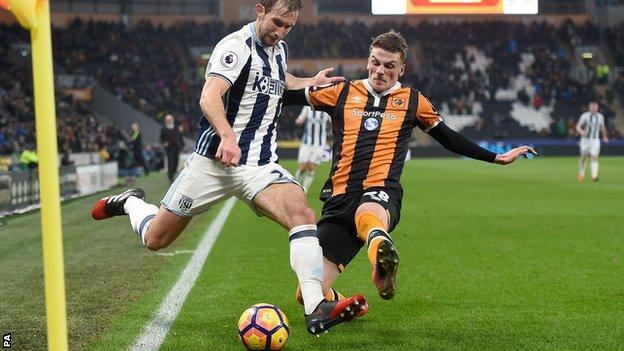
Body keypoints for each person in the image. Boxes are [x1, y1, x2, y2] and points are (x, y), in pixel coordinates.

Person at [90, 0, 366, 335]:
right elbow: (209, 97)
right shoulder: (234, 46)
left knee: (303, 215)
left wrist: (308, 82)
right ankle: (130, 201)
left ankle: (315, 307)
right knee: (156, 239)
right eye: (277, 22)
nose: (280, 32)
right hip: (214, 163)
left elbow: (279, 79)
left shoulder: (279, 49)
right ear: (259, 10)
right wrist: (227, 136)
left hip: (260, 166)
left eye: (289, 26)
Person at [284, 30, 536, 307]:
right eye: (375, 62)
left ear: (401, 68)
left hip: (380, 191)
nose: (380, 71)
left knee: (368, 216)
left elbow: (449, 138)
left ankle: (382, 252)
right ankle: (350, 305)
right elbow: (284, 97)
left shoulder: (414, 101)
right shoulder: (341, 92)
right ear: (368, 61)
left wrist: (495, 157)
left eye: (389, 66)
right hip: (339, 199)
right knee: (306, 293)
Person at [294, 106, 330, 191]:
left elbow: (333, 120)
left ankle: (305, 189)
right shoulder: (307, 107)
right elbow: (300, 119)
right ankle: (295, 186)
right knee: (302, 167)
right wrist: (298, 121)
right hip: (307, 143)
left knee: (312, 167)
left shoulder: (326, 109)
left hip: (319, 144)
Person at [575, 101, 609, 182]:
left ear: (597, 108)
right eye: (592, 107)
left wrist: (605, 136)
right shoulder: (585, 116)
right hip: (585, 140)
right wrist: (582, 132)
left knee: (594, 157)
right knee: (584, 157)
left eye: (595, 107)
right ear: (589, 108)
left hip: (595, 140)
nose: (594, 108)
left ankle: (594, 176)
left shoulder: (600, 116)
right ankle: (581, 174)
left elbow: (602, 127)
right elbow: (578, 126)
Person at [160, 114, 184, 182]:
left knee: (176, 162)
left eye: (170, 119)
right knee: (171, 162)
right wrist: (164, 143)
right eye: (167, 120)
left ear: (172, 120)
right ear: (165, 121)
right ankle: (170, 177)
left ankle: (172, 173)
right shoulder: (163, 129)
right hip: (169, 148)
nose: (169, 121)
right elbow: (161, 139)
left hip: (176, 147)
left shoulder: (177, 127)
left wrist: (182, 145)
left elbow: (180, 137)